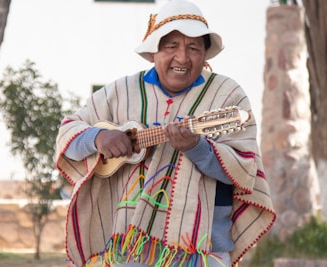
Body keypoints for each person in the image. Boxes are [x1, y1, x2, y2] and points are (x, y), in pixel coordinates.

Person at [56, 0, 276, 266]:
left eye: (193, 48)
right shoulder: (120, 92)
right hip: (126, 248)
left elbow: (244, 169)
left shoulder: (228, 95)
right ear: (152, 53)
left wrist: (198, 147)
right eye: (171, 46)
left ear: (205, 54)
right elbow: (68, 133)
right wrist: (98, 138)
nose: (182, 58)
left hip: (202, 250)